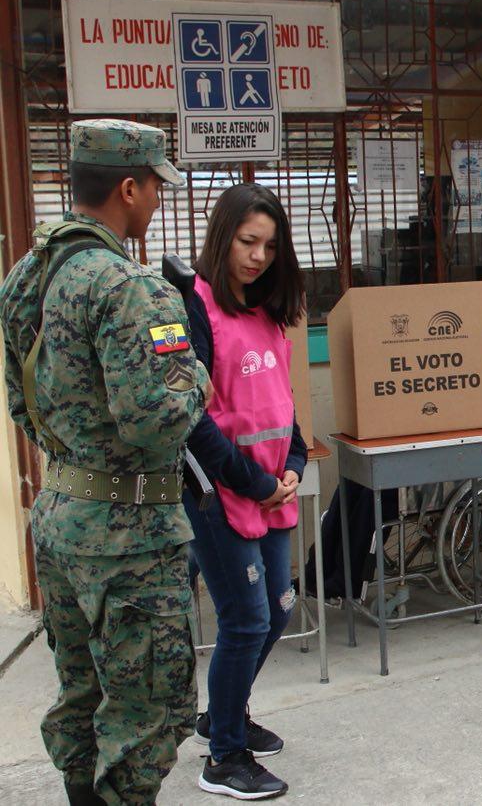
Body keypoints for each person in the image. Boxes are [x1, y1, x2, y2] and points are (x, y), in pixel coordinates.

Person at [0, 120, 208, 805]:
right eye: (154, 186)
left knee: (85, 702)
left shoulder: (26, 277)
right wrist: (198, 383)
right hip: (129, 538)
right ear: (128, 187)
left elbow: (22, 408)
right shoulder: (129, 288)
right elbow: (155, 424)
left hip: (61, 519)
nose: (158, 200)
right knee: (145, 720)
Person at [183, 183, 308, 800]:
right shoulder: (194, 308)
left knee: (279, 609)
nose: (258, 256)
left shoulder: (267, 307)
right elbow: (195, 423)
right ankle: (223, 757)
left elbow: (282, 403)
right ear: (222, 237)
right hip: (219, 493)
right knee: (245, 617)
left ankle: (222, 716)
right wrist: (255, 481)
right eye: (246, 241)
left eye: (269, 244)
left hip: (271, 491)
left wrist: (296, 463)